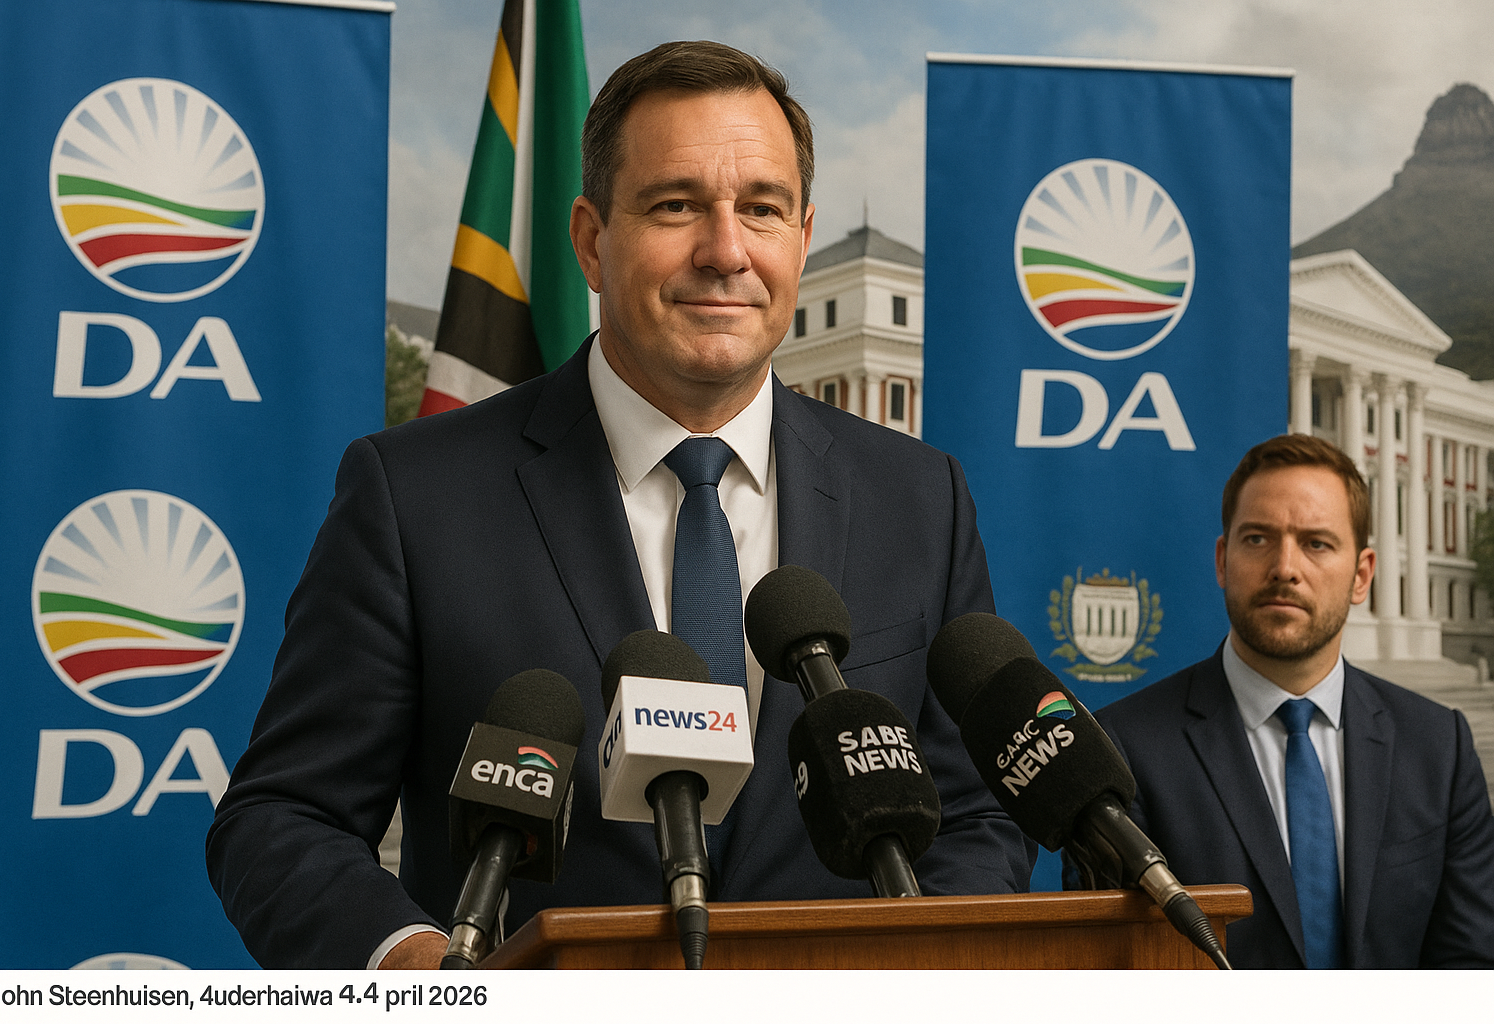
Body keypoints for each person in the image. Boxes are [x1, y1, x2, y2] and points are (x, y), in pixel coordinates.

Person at [207, 40, 1033, 970]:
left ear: (802, 239)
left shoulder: (920, 497)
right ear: (592, 241)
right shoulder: (413, 497)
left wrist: (921, 969)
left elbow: (978, 813)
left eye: (762, 209)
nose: (726, 252)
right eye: (676, 205)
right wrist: (424, 975)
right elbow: (284, 818)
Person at [1074, 434, 1494, 968]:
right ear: (1223, 560)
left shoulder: (1439, 747)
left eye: (1317, 543)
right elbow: (1117, 972)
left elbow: (1470, 969)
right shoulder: (1123, 749)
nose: (1285, 567)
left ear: (1362, 575)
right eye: (1257, 539)